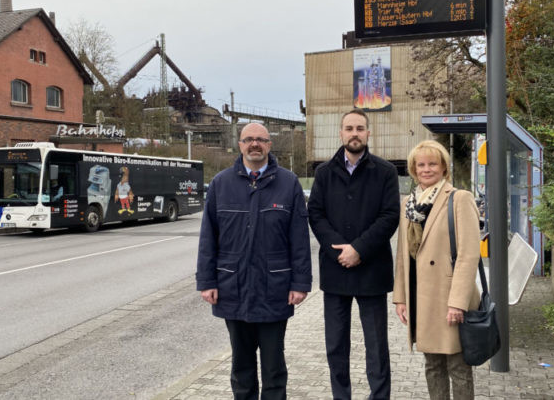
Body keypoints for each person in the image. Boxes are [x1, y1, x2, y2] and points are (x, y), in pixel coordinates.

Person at [196, 122, 312, 400]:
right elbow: (208, 238)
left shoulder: (288, 183)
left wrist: (300, 283)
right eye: (249, 139)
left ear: (270, 145)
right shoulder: (221, 184)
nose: (255, 144)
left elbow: (299, 238)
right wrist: (207, 281)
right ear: (240, 145)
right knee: (241, 366)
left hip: (275, 290)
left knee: (274, 368)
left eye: (261, 139)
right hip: (232, 288)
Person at [308, 108, 400, 400]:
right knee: (335, 344)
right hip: (336, 272)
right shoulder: (323, 173)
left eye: (360, 128)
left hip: (372, 270)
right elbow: (316, 214)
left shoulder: (385, 171)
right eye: (349, 128)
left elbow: (389, 216)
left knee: (376, 345)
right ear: (341, 133)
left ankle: (379, 396)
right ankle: (341, 396)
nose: (354, 133)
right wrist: (340, 251)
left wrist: (359, 249)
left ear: (368, 133)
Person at [393, 140, 481, 400]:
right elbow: (403, 254)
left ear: (444, 167)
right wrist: (400, 297)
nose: (426, 169)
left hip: (449, 297)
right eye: (421, 164)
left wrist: (458, 303)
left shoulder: (459, 199)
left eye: (433, 164)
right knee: (432, 366)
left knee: (458, 367)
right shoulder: (409, 203)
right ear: (413, 169)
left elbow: (469, 255)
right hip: (422, 298)